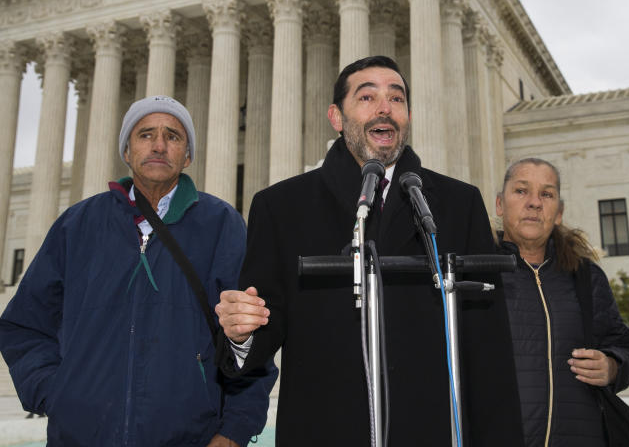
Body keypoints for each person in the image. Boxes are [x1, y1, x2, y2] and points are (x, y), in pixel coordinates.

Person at [214, 56, 522, 446]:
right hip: (324, 430)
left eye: (396, 98)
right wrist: (240, 335)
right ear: (336, 117)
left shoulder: (458, 205)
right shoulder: (281, 207)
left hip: (429, 430)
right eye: (367, 97)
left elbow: (487, 350)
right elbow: (262, 331)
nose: (384, 108)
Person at [0, 95, 276, 447]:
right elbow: (24, 324)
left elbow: (249, 337)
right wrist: (56, 393)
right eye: (145, 135)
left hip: (190, 436)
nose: (159, 145)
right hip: (81, 436)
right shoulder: (78, 224)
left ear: (187, 155)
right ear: (126, 152)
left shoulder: (221, 225)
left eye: (173, 136)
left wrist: (235, 430)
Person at [495, 157, 629, 446]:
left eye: (546, 194)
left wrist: (611, 366)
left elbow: (623, 347)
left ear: (558, 212)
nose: (534, 203)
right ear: (500, 204)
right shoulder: (475, 274)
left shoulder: (585, 276)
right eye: (521, 191)